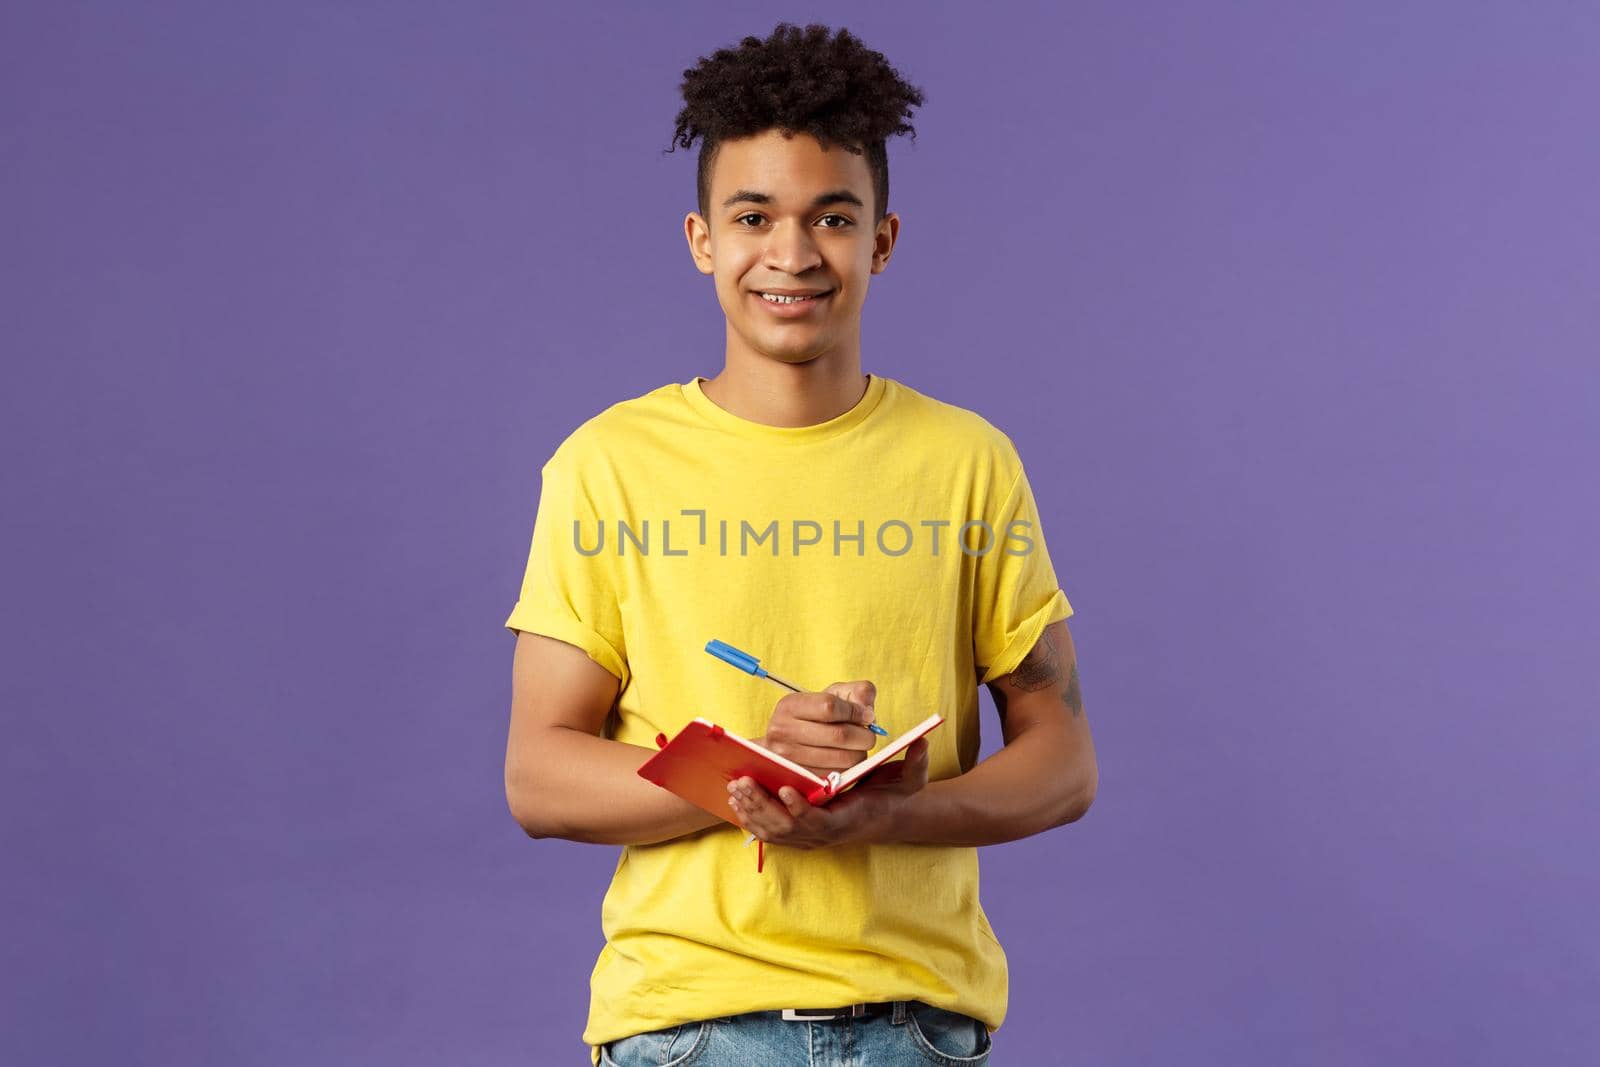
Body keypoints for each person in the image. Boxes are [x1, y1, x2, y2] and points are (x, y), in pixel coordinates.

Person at [502, 22, 1098, 1066]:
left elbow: (1063, 759)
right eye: (753, 216)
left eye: (831, 216)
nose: (791, 252)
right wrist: (752, 777)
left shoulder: (968, 461)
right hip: (684, 1026)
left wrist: (883, 818)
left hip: (917, 1024)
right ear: (701, 240)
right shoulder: (608, 465)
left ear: (882, 240)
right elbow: (538, 775)